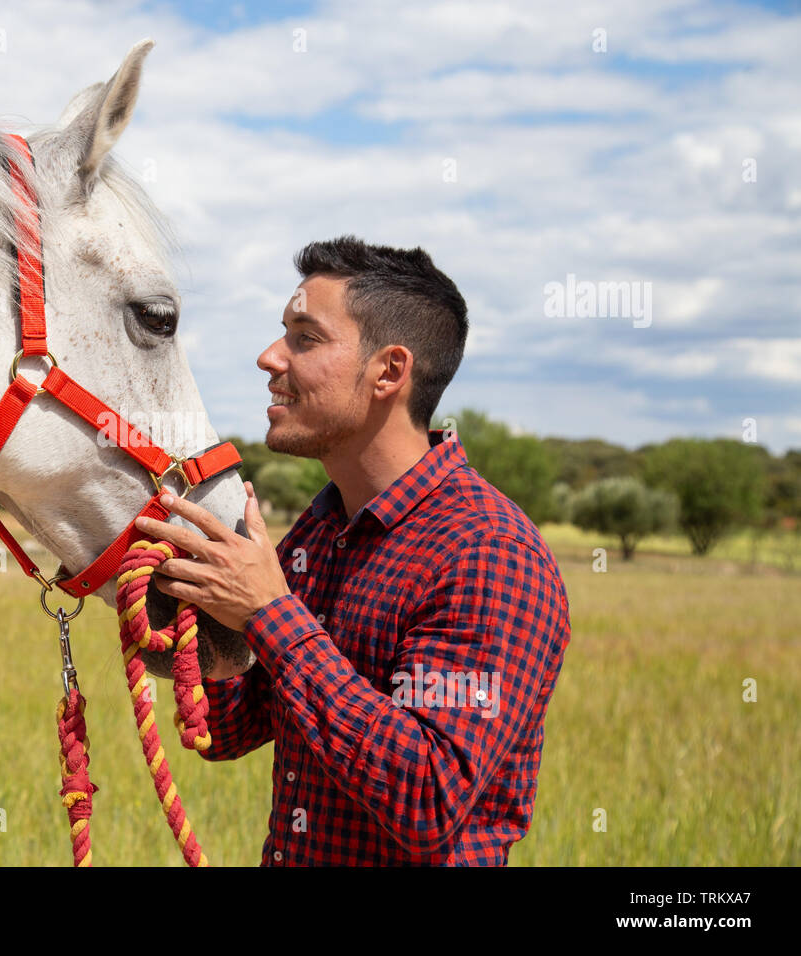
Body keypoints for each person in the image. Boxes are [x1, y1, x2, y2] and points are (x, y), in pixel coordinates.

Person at [133, 236, 571, 865]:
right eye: (281, 332)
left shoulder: (488, 552)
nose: (268, 357)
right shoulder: (317, 534)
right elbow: (227, 729)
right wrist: (159, 588)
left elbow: (427, 799)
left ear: (389, 371)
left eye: (304, 339)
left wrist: (268, 615)